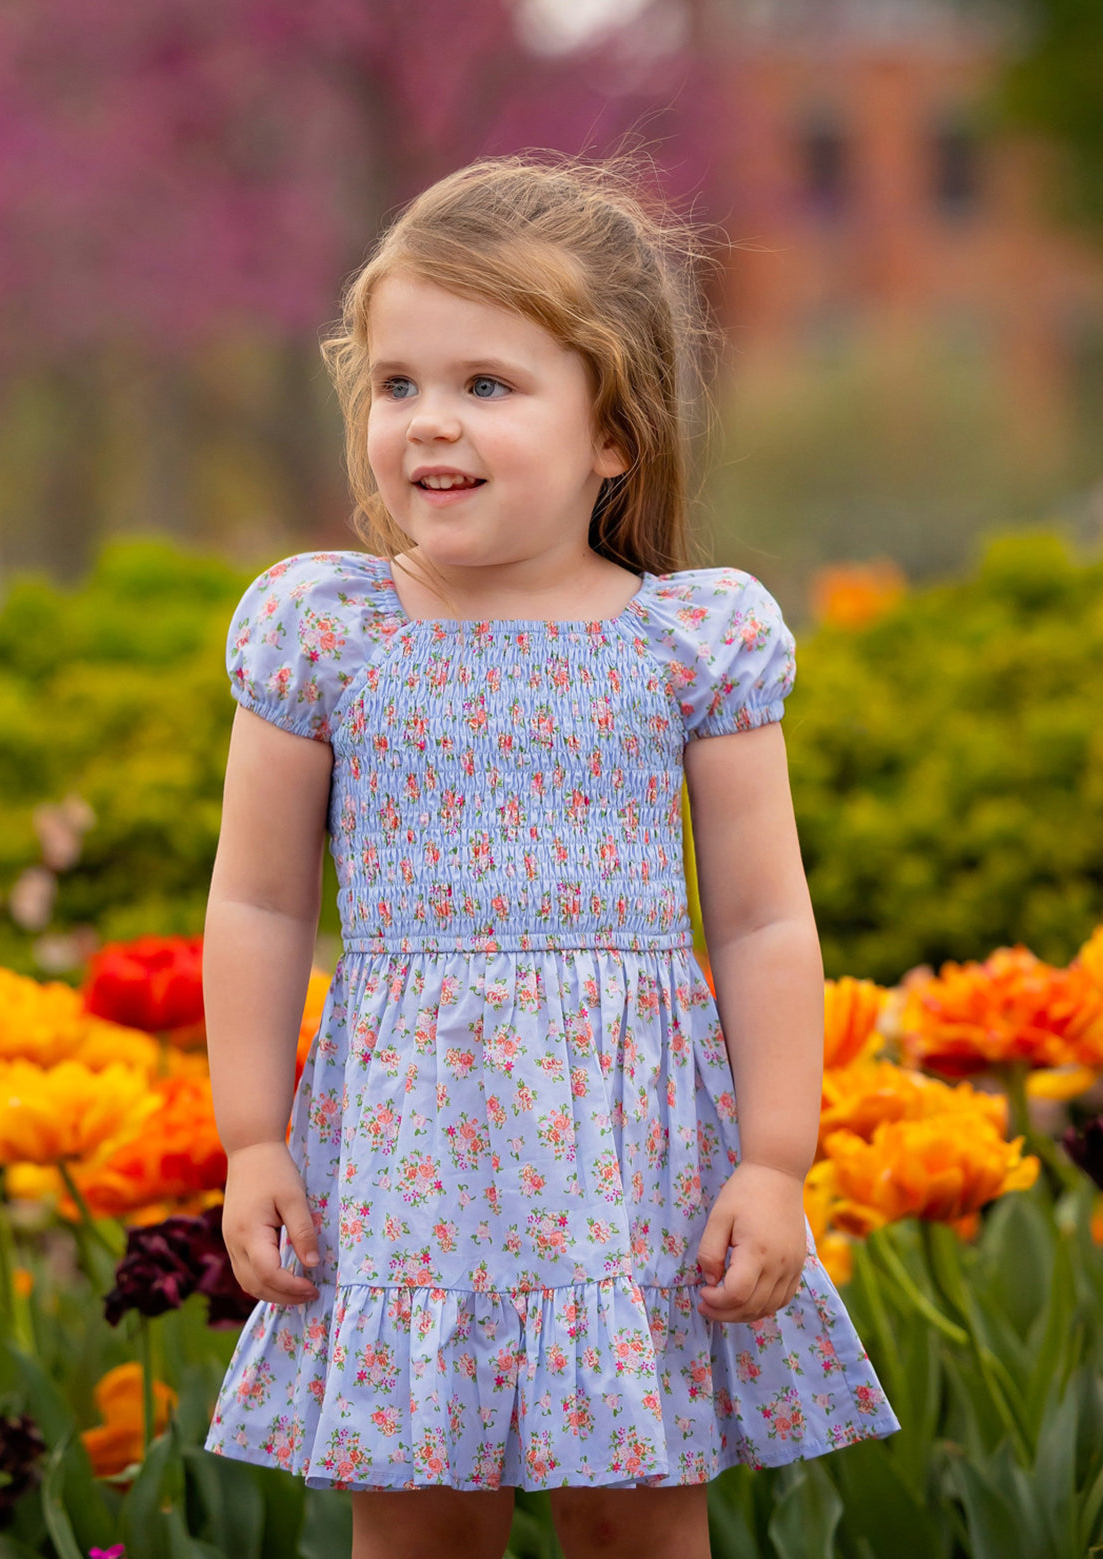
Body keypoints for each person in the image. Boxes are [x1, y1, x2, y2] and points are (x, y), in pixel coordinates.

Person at [202, 152, 901, 1559]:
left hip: (627, 1162)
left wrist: (775, 1160)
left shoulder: (688, 643)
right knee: (420, 1527)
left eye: (487, 384)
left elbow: (762, 919)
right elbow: (261, 900)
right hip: (407, 1159)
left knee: (634, 1520)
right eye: (398, 383)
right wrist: (254, 1139)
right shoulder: (327, 633)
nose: (430, 422)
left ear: (614, 434)